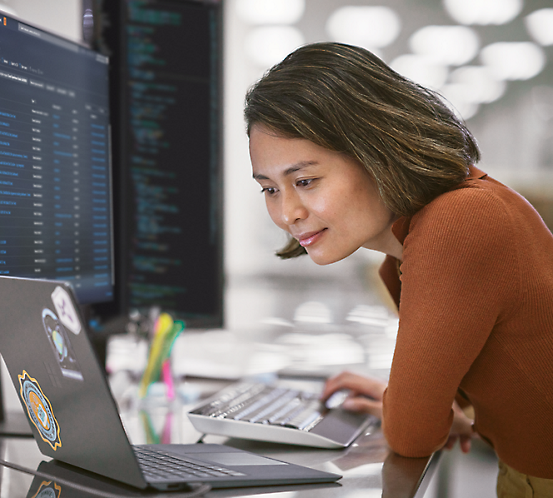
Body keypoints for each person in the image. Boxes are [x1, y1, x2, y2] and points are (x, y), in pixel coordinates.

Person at [244, 42, 553, 497]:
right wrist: (401, 401)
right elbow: (455, 393)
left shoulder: (460, 223)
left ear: (376, 152)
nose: (287, 212)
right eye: (269, 189)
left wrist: (406, 407)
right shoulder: (407, 248)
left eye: (304, 181)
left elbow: (413, 433)